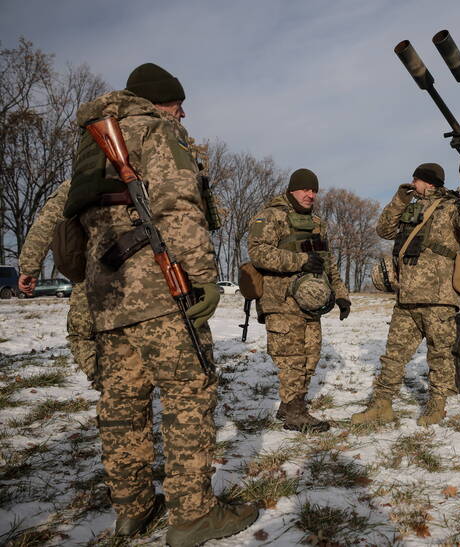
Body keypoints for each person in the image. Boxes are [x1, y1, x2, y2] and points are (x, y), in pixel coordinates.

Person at [69, 63, 257, 546]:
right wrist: (201, 278)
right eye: (178, 104)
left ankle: (133, 510)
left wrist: (89, 286)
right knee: (188, 395)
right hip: (159, 292)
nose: (183, 112)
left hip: (106, 297)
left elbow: (69, 231)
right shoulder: (157, 133)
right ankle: (192, 515)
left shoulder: (89, 145)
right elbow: (177, 207)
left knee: (122, 406)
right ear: (160, 103)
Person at [351, 159, 460, 427]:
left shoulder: (451, 207)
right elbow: (384, 229)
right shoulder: (410, 208)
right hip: (407, 297)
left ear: (427, 182)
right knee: (393, 355)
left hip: (439, 297)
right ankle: (381, 405)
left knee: (440, 355)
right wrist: (399, 199)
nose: (412, 184)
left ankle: (437, 405)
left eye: (415, 181)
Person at [247, 168, 350, 432]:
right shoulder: (270, 216)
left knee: (310, 357)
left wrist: (340, 294)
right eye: (305, 189)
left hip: (310, 303)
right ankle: (295, 413)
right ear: (293, 189)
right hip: (281, 301)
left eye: (314, 190)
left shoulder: (317, 223)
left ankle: (290, 405)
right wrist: (300, 261)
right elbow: (258, 253)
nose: (310, 194)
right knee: (291, 358)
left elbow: (328, 261)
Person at [18, 180, 96, 386]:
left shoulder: (86, 174)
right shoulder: (157, 165)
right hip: (154, 275)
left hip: (95, 274)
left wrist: (29, 267)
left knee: (82, 335)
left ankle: (110, 387)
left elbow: (47, 222)